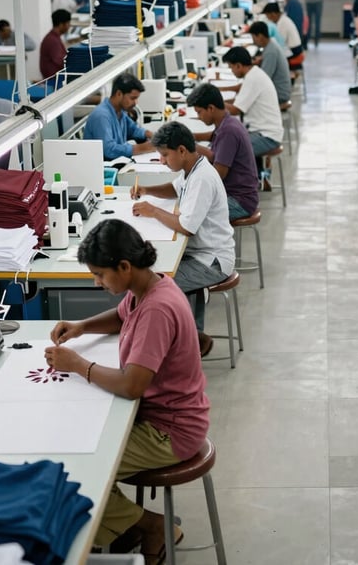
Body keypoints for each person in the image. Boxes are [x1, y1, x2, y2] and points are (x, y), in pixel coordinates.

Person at [44, 219, 209, 559]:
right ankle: (127, 525)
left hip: (169, 432)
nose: (97, 281)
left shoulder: (158, 308)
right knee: (71, 449)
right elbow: (122, 317)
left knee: (73, 473)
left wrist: (78, 364)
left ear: (124, 266)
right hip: (159, 417)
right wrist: (82, 327)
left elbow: (132, 385)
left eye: (101, 275)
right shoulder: (147, 288)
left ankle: (149, 526)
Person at [130, 122, 234, 356]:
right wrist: (146, 190)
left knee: (156, 287)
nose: (163, 161)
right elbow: (175, 189)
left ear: (182, 151)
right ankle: (190, 341)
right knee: (165, 274)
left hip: (212, 261)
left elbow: (186, 227)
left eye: (165, 155)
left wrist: (154, 211)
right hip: (202, 254)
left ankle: (180, 346)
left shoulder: (202, 178)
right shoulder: (193, 169)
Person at [187, 84, 259, 221]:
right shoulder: (226, 122)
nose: (199, 117)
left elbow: (217, 176)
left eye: (199, 112)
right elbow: (213, 155)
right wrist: (189, 141)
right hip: (236, 194)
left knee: (189, 214)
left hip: (239, 202)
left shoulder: (228, 132)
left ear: (211, 108)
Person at [221, 46, 283, 178]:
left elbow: (236, 110)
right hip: (263, 131)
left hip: (267, 136)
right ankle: (255, 178)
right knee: (228, 141)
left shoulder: (253, 79)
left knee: (228, 150)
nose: (232, 71)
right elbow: (238, 101)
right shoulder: (254, 74)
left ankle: (243, 190)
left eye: (231, 67)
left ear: (238, 65)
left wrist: (213, 103)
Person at [83, 73, 155, 160]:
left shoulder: (120, 111)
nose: (136, 103)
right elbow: (109, 150)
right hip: (104, 169)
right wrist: (145, 148)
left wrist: (152, 135)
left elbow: (133, 130)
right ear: (119, 94)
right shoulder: (102, 116)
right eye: (133, 98)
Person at [248, 21, 292, 104]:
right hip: (280, 89)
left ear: (260, 36)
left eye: (253, 37)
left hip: (280, 94)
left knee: (247, 101)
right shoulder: (271, 43)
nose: (253, 41)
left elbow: (264, 79)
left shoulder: (270, 52)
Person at [40, 9, 71, 81]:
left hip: (55, 77)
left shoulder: (53, 37)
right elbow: (61, 61)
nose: (69, 26)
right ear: (61, 24)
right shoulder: (53, 41)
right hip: (54, 79)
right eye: (68, 23)